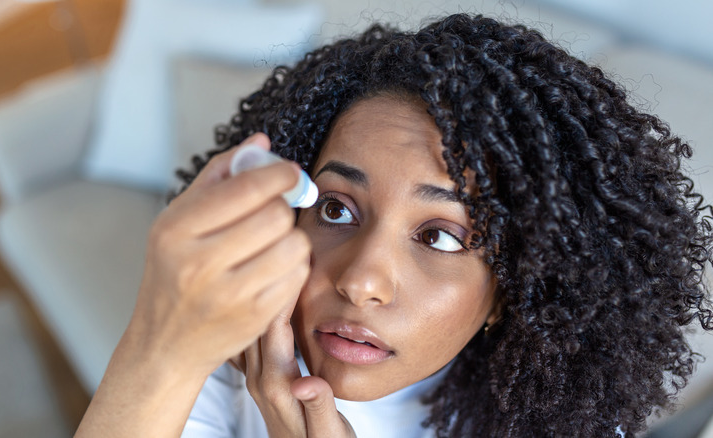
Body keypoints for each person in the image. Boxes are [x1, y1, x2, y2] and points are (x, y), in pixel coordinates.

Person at [74, 13, 713, 437]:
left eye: (439, 235)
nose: (362, 280)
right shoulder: (223, 362)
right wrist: (161, 347)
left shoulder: (564, 425)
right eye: (337, 209)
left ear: (511, 290)